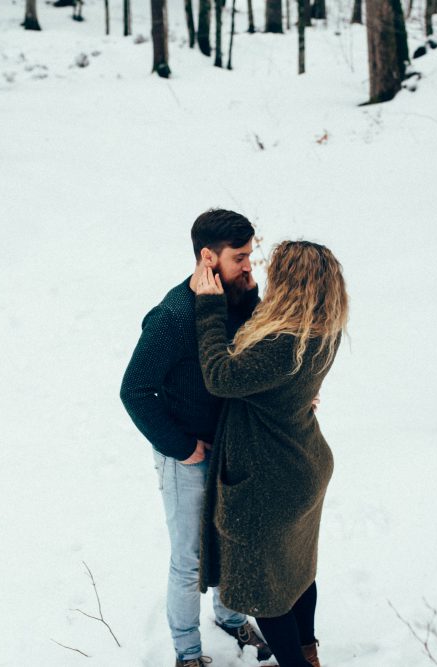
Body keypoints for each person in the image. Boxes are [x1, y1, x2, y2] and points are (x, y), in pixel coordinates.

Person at [120, 210, 272, 667]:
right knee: (189, 560)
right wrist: (181, 447)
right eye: (240, 257)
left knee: (232, 541)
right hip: (185, 454)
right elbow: (134, 390)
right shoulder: (172, 317)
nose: (249, 266)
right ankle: (187, 653)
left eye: (251, 255)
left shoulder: (241, 297)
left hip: (231, 446)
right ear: (208, 257)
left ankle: (229, 617)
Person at [193, 240, 348, 667]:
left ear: (289, 285)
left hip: (270, 480)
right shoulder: (323, 329)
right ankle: (307, 650)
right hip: (304, 463)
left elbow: (220, 377)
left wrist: (209, 309)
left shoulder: (282, 344)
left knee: (265, 589)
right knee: (297, 570)